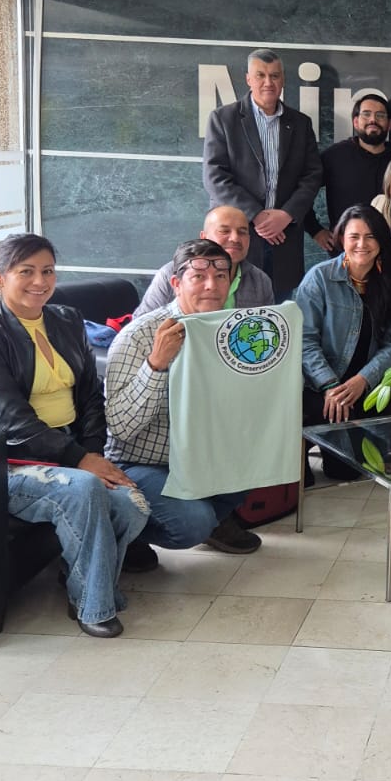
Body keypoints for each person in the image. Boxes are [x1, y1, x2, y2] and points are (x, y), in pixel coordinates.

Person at [0, 234, 148, 637]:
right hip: (5, 460)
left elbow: (91, 397)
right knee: (84, 489)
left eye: (47, 271)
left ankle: (78, 572)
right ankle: (93, 606)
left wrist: (93, 453)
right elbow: (10, 421)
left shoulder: (66, 320)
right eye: (25, 272)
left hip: (69, 449)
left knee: (132, 505)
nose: (39, 281)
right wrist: (81, 461)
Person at [105, 239, 262, 571]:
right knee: (192, 523)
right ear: (176, 283)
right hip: (140, 462)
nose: (212, 285)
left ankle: (209, 519)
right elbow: (120, 428)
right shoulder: (139, 336)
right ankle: (123, 531)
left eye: (221, 276)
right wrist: (156, 365)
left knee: (258, 464)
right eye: (199, 276)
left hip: (200, 455)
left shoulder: (231, 330)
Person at [295, 205, 391, 478]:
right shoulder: (320, 278)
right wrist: (331, 385)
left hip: (364, 385)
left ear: (381, 241)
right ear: (341, 239)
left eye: (370, 236)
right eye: (354, 236)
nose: (362, 244)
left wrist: (363, 379)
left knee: (348, 472)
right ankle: (306, 444)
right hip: (320, 385)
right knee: (318, 475)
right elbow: (304, 340)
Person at [202, 48, 324, 299]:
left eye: (274, 75)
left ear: (283, 80)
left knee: (278, 310)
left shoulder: (300, 123)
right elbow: (215, 177)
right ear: (248, 79)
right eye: (261, 75)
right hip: (237, 237)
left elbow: (312, 175)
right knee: (230, 307)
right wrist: (257, 216)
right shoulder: (223, 119)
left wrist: (286, 215)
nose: (268, 82)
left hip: (285, 238)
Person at [133, 205, 274, 317]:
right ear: (204, 237)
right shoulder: (171, 273)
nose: (235, 238)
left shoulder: (259, 280)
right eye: (224, 231)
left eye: (242, 232)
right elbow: (141, 325)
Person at [305, 92, 391, 253]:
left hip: (390, 251)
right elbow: (303, 189)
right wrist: (315, 230)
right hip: (344, 251)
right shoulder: (335, 156)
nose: (373, 120)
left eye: (380, 115)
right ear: (355, 122)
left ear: (389, 124)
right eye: (366, 114)